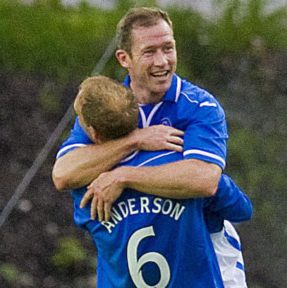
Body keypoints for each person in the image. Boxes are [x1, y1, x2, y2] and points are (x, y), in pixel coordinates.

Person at [51, 7, 249, 287]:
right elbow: (63, 174)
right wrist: (135, 140)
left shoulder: (200, 106)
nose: (162, 61)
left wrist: (122, 176)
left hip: (205, 259)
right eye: (149, 51)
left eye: (168, 48)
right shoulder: (110, 109)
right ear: (124, 58)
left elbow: (203, 179)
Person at [65, 75, 252, 287]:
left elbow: (66, 178)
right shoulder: (183, 170)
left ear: (94, 134)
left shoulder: (88, 191)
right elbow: (241, 209)